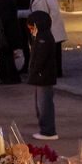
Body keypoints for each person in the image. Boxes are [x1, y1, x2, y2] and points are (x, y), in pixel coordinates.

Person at [25, 12, 61, 141]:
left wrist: (34, 72)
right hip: (43, 76)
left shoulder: (43, 39)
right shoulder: (42, 37)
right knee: (42, 104)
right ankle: (45, 129)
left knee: (44, 105)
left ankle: (48, 131)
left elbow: (39, 59)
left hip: (43, 77)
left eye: (31, 28)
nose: (31, 31)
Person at [0, 0, 25, 84]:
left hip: (5, 33)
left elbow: (3, 18)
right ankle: (11, 77)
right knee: (8, 56)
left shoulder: (2, 0)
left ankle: (8, 77)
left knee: (5, 56)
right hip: (11, 32)